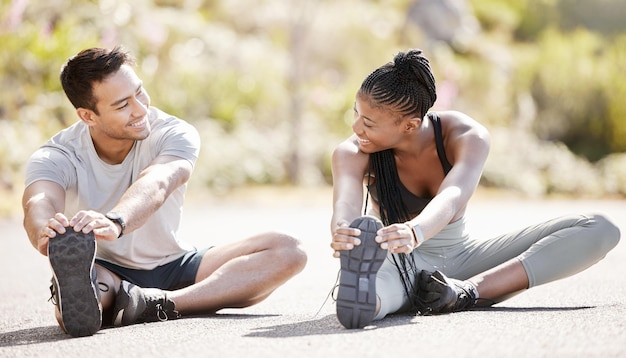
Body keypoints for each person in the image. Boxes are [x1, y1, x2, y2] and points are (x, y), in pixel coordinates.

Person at [22, 46, 307, 337]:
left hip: (177, 264)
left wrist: (116, 221)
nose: (141, 109)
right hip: (110, 270)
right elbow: (39, 201)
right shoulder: (57, 154)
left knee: (288, 250)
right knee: (89, 296)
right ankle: (98, 293)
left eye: (140, 92)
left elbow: (158, 180)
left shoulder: (172, 132)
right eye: (123, 105)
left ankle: (158, 303)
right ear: (88, 116)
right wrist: (45, 229)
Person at [330, 49, 620, 329]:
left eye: (368, 122)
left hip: (462, 258)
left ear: (410, 125)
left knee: (599, 228)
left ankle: (464, 291)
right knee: (368, 298)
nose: (355, 127)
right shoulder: (352, 152)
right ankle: (371, 298)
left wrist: (415, 231)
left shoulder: (467, 135)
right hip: (397, 259)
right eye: (355, 113)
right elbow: (346, 200)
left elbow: (453, 195)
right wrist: (343, 228)